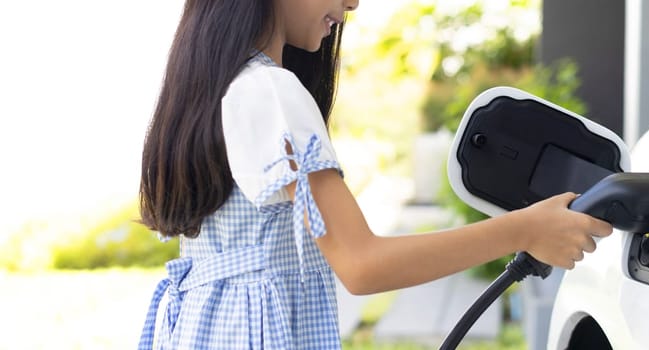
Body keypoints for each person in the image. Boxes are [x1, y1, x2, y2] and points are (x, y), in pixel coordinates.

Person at [135, 0, 612, 348]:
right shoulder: (270, 91)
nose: (352, 3)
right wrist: (527, 228)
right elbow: (362, 263)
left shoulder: (226, 85)